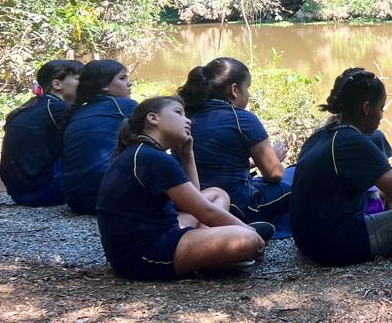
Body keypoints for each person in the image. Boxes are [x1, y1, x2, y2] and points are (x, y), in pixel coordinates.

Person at [95, 96, 269, 280]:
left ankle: (210, 250)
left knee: (217, 194)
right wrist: (253, 234)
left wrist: (187, 155)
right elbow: (205, 211)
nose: (188, 120)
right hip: (144, 255)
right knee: (246, 240)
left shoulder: (144, 152)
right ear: (153, 119)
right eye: (178, 112)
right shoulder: (152, 158)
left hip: (148, 240)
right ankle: (215, 254)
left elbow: (194, 202)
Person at [289, 68, 392, 266]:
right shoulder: (354, 142)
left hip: (308, 240)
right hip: (335, 244)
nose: (382, 114)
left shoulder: (321, 135)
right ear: (366, 107)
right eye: (381, 107)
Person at [178, 57, 293, 224]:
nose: (248, 93)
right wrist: (274, 157)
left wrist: (254, 162)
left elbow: (214, 165)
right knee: (296, 177)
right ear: (234, 90)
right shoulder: (242, 119)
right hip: (239, 207)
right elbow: (275, 174)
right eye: (247, 87)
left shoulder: (187, 117)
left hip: (199, 205)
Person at [0, 59, 83, 207]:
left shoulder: (35, 106)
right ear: (57, 84)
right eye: (80, 79)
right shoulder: (59, 109)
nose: (85, 84)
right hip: (43, 192)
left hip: (19, 193)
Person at [60, 60, 136, 215]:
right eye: (122, 78)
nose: (129, 84)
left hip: (75, 200)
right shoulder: (123, 105)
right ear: (104, 86)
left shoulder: (78, 111)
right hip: (106, 198)